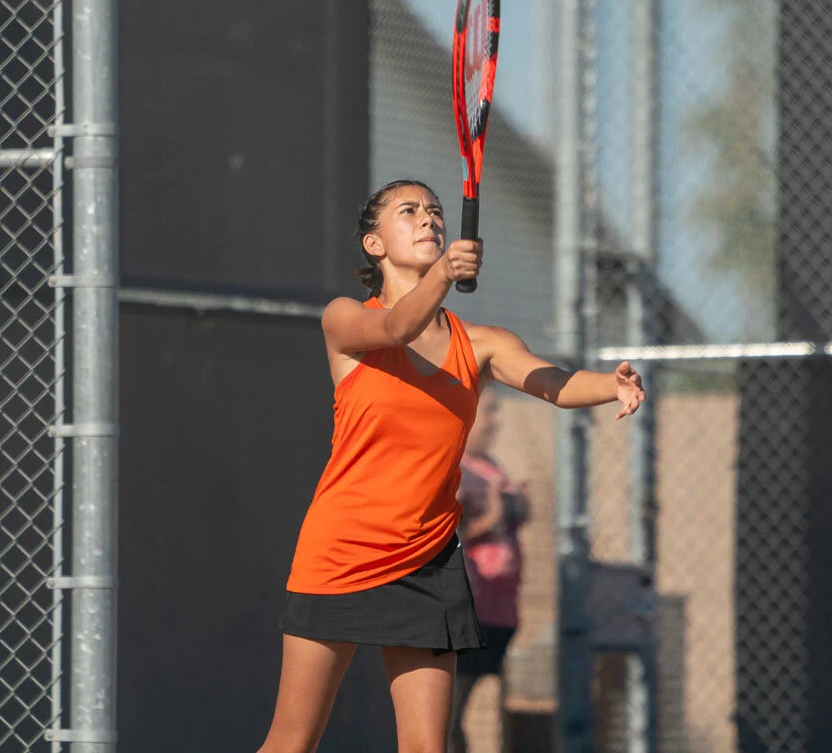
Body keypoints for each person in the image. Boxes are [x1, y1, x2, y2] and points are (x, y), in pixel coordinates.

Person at [257, 179, 644, 753]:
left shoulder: (482, 344)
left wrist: (610, 385)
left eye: (435, 211)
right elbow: (397, 328)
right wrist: (443, 274)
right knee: (292, 742)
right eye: (408, 211)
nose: (429, 219)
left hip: (427, 558)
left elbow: (554, 384)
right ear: (374, 244)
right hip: (340, 552)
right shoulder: (345, 319)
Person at [450, 385, 528, 753]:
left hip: (498, 615)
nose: (496, 421)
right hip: (468, 612)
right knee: (448, 717)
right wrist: (492, 515)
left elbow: (511, 523)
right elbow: (450, 535)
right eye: (489, 412)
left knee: (460, 713)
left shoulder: (491, 466)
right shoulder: (458, 469)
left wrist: (518, 505)